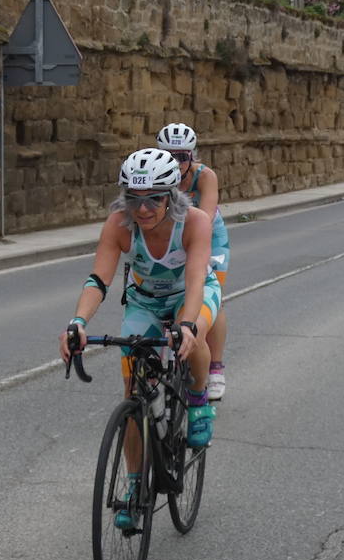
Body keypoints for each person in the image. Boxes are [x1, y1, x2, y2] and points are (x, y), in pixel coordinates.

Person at [60, 149, 221, 526]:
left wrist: (186, 324)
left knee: (192, 335)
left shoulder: (195, 222)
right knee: (133, 389)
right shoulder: (119, 224)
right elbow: (98, 280)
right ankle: (136, 487)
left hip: (191, 293)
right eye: (134, 198)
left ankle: (197, 401)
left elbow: (196, 280)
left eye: (154, 199)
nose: (143, 208)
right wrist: (78, 321)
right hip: (145, 301)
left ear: (172, 196)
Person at [157, 123, 230, 402]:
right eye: (169, 155)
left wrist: (192, 243)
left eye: (183, 156)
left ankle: (215, 368)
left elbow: (207, 215)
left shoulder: (204, 176)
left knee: (213, 298)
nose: (176, 162)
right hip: (173, 235)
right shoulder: (157, 173)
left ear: (193, 156)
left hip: (209, 234)